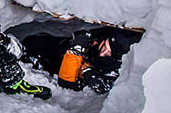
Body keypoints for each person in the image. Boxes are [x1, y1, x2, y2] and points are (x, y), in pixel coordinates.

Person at [9, 22, 143, 94]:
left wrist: (78, 54)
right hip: (59, 47)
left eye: (108, 53)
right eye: (104, 47)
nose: (103, 53)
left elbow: (67, 82)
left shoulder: (111, 67)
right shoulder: (104, 36)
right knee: (34, 42)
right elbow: (84, 35)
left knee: (37, 56)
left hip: (61, 65)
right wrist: (82, 41)